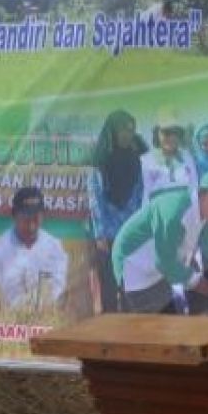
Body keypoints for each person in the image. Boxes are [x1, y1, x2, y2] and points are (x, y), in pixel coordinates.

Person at [112, 168, 208, 314]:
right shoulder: (174, 211)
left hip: (159, 271)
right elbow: (164, 261)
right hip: (133, 266)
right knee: (150, 330)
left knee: (176, 321)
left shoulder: (203, 219)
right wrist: (194, 280)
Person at [87, 110, 148, 312]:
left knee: (130, 284)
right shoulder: (100, 159)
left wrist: (137, 228)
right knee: (109, 287)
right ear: (112, 130)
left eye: (131, 130)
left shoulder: (134, 158)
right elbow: (95, 198)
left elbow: (139, 194)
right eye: (123, 129)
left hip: (129, 233)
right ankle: (110, 330)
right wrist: (100, 234)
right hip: (107, 235)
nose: (127, 134)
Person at [0, 186, 68, 310]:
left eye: (36, 218)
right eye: (26, 218)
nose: (31, 225)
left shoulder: (55, 247)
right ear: (14, 215)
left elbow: (58, 289)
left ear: (43, 215)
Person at [141, 107, 198, 201]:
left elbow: (194, 191)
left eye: (175, 133)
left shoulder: (187, 158)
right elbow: (146, 197)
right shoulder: (146, 161)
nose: (171, 137)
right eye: (166, 133)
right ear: (157, 134)